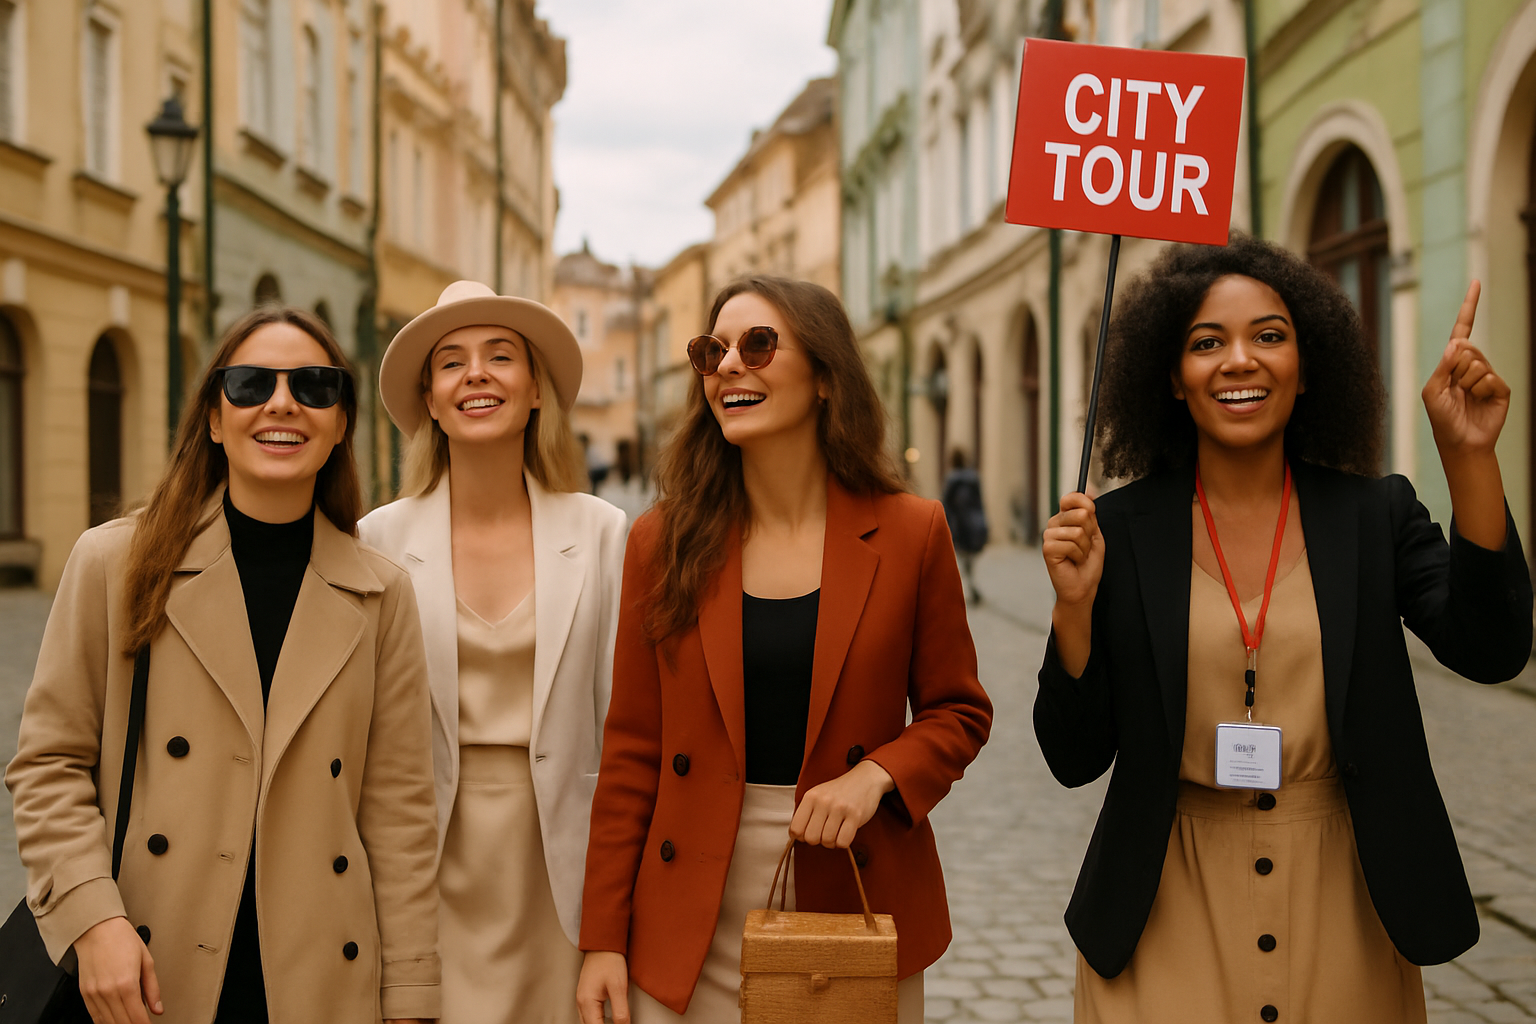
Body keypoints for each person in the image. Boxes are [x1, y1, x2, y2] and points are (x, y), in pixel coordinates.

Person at [1036, 234, 1532, 1023]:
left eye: (1269, 335)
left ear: (1306, 368)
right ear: (1172, 378)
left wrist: (1467, 457)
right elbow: (1073, 758)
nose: (1240, 360)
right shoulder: (1115, 532)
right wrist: (1073, 609)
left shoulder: (1376, 517)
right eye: (1207, 343)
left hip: (1345, 906)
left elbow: (1492, 649)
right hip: (1164, 906)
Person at [575, 275, 993, 1024]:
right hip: (689, 902)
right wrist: (603, 937)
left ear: (826, 377)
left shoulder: (912, 532)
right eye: (713, 352)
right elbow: (633, 751)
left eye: (759, 345)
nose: (730, 365)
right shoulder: (662, 542)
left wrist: (875, 776)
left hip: (854, 891)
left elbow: (958, 712)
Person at [6, 307, 440, 1024]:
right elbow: (49, 764)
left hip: (321, 981)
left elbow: (399, 817)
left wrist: (412, 996)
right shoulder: (117, 563)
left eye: (313, 385)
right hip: (146, 967)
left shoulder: (381, 594)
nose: (282, 403)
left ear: (341, 424)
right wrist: (94, 920)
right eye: (250, 384)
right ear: (213, 417)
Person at [360, 280, 627, 1023]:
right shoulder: (375, 540)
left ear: (536, 390)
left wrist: (614, 923)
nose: (476, 374)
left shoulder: (603, 532)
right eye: (451, 362)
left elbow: (628, 728)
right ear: (430, 399)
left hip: (562, 871)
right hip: (427, 867)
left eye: (500, 356)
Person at [940, 449, 988, 603]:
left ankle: (968, 589)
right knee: (970, 561)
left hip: (959, 526)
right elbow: (980, 503)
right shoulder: (973, 478)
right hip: (974, 525)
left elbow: (945, 505)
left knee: (962, 560)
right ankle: (971, 588)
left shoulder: (951, 480)